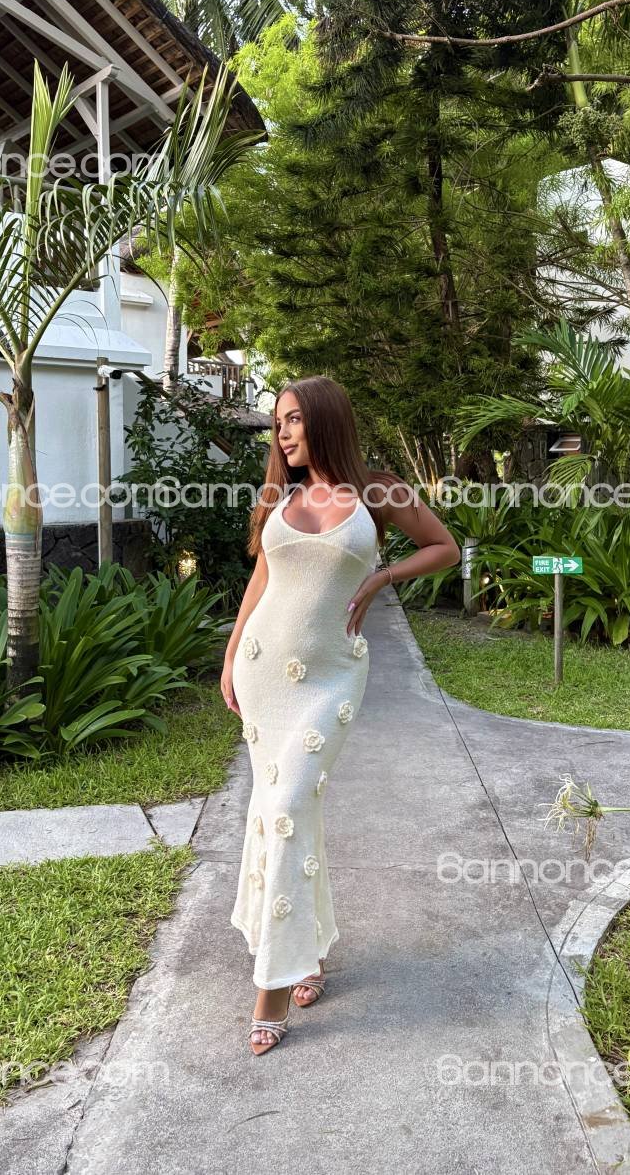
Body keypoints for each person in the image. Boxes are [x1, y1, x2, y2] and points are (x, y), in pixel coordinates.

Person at [220, 375, 461, 1054]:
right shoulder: (282, 497)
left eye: (294, 419)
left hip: (330, 679)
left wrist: (383, 576)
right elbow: (262, 578)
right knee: (284, 812)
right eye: (278, 423)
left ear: (325, 419)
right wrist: (231, 653)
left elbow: (445, 547)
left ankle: (270, 987)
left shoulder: (377, 492)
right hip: (263, 672)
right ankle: (306, 952)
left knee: (288, 803)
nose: (283, 434)